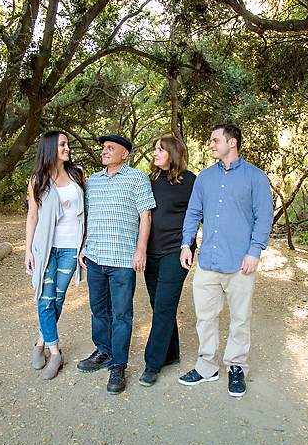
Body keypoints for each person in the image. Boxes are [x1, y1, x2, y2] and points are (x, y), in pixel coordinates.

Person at [178, 123, 273, 397]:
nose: (211, 144)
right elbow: (193, 214)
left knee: (240, 319)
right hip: (208, 261)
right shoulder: (204, 179)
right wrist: (187, 245)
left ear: (232, 142)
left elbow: (264, 217)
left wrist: (255, 252)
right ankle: (207, 366)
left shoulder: (256, 177)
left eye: (215, 140)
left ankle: (236, 367)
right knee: (204, 318)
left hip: (241, 263)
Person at [77, 134, 156, 394]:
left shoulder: (137, 178)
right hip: (96, 257)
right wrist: (83, 247)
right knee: (99, 310)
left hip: (123, 260)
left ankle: (118, 365)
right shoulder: (93, 182)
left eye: (111, 148)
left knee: (122, 315)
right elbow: (88, 217)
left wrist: (140, 251)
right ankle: (103, 350)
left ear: (125, 154)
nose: (104, 151)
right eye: (103, 148)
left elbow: (145, 217)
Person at [24, 130, 86, 380]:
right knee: (44, 297)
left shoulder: (76, 173)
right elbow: (32, 216)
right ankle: (56, 352)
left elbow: (86, 211)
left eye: (67, 144)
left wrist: (84, 245)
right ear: (50, 147)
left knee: (57, 299)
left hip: (71, 247)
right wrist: (28, 249)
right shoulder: (37, 179)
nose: (67, 148)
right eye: (62, 144)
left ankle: (40, 343)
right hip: (45, 247)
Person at [139, 136, 197, 387]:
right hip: (151, 251)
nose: (155, 153)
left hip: (177, 250)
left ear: (172, 153)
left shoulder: (191, 181)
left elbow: (198, 215)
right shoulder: (149, 180)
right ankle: (171, 353)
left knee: (164, 304)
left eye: (160, 150)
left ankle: (152, 364)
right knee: (157, 303)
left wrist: (189, 245)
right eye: (154, 149)